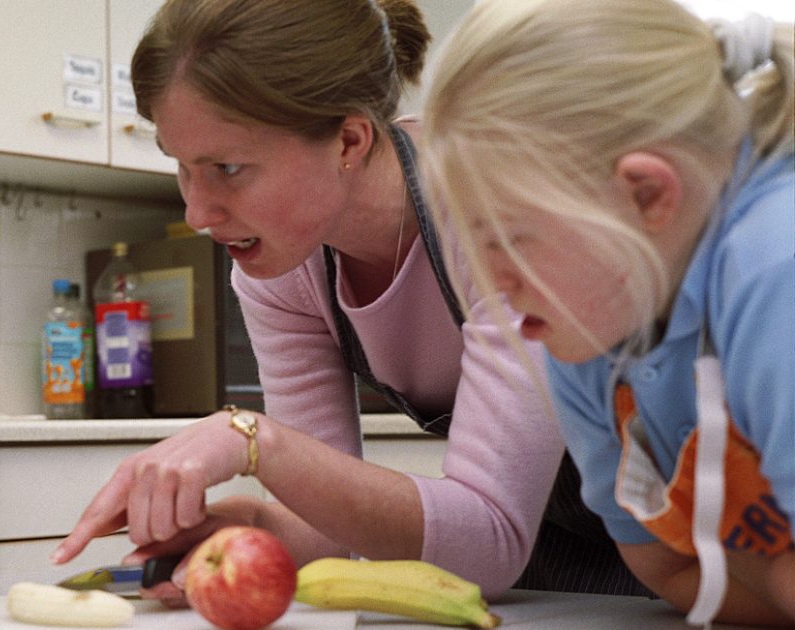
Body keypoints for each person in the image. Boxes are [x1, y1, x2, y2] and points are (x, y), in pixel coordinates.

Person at [53, 0, 652, 600]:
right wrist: (254, 525)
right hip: (545, 582)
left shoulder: (496, 214)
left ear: (348, 140)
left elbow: (491, 538)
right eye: (182, 167)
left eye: (228, 167)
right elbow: (329, 537)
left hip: (672, 557)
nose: (197, 212)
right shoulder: (281, 270)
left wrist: (254, 439)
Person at [417, 0, 793, 624]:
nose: (491, 283)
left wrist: (756, 569)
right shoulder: (592, 336)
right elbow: (668, 570)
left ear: (646, 194)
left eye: (512, 239)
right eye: (476, 244)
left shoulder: (776, 269)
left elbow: (702, 570)